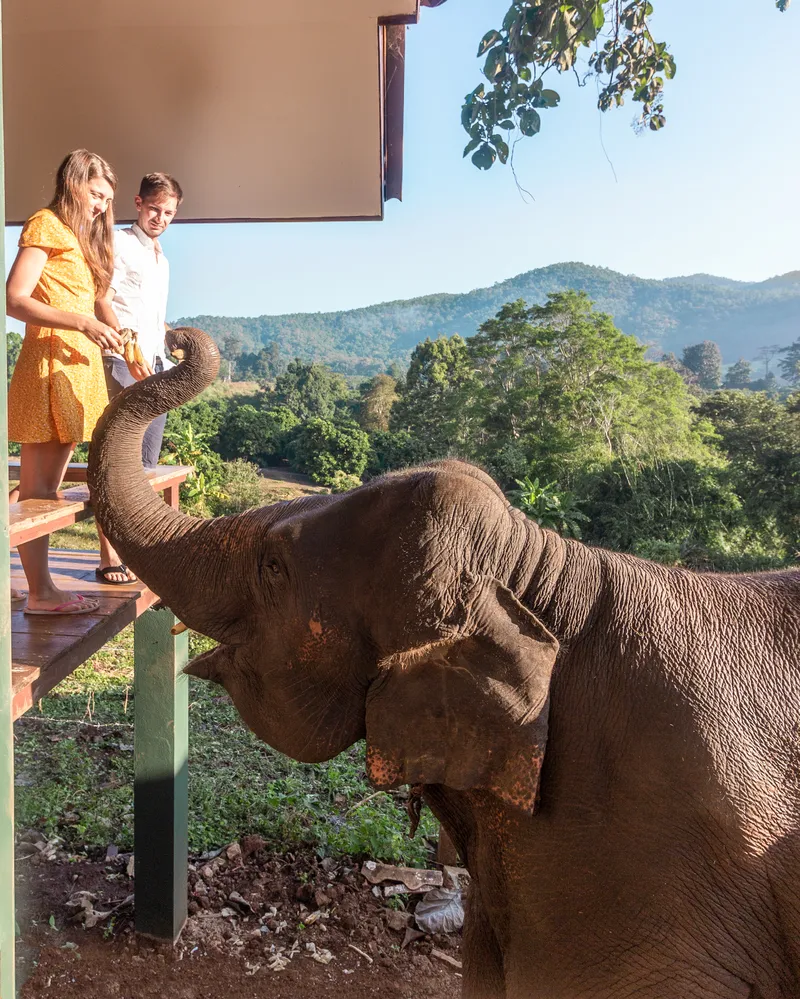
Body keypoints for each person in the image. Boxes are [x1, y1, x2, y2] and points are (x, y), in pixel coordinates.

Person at [6, 149, 123, 614]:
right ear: (74, 183)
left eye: (106, 200)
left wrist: (106, 330)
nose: (100, 205)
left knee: (38, 488)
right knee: (40, 491)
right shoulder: (45, 225)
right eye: (95, 194)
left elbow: (91, 304)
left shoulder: (80, 237)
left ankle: (29, 587)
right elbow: (14, 300)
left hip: (77, 366)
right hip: (51, 364)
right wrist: (81, 322)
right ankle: (41, 592)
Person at [94, 172, 183, 583]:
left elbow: (150, 312)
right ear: (137, 203)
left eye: (168, 212)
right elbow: (101, 300)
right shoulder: (119, 243)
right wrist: (124, 348)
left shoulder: (161, 258)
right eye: (154, 209)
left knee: (145, 468)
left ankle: (139, 556)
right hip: (123, 361)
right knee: (118, 464)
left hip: (155, 366)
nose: (160, 218)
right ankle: (110, 557)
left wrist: (172, 339)